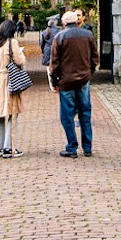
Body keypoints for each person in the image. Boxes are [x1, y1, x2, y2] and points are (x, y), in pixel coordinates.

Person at [47, 9, 98, 157]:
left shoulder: (60, 37)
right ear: (76, 21)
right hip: (83, 80)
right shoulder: (88, 35)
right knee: (85, 113)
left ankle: (72, 147)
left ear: (63, 22)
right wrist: (90, 73)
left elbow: (54, 63)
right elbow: (94, 58)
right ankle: (87, 148)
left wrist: (54, 81)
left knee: (67, 115)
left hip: (66, 81)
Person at [0, 17, 29, 158]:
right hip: (9, 81)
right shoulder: (12, 43)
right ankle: (9, 148)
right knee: (11, 113)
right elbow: (20, 60)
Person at [39, 13, 62, 91]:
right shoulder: (59, 31)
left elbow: (42, 44)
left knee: (49, 70)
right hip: (58, 51)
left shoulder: (45, 32)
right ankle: (58, 84)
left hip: (48, 51)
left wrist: (43, 51)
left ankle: (52, 87)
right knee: (58, 67)